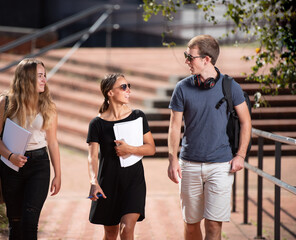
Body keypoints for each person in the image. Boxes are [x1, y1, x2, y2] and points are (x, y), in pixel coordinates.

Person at [167, 35, 252, 240]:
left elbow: (246, 122)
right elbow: (174, 126)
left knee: (214, 227)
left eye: (190, 56)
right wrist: (172, 159)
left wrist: (240, 155)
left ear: (206, 59)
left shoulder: (231, 87)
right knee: (191, 225)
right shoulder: (182, 88)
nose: (186, 60)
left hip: (221, 165)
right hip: (189, 164)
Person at [0, 58, 61, 240]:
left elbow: (52, 142)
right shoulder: (6, 102)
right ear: (26, 78)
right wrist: (11, 156)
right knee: (15, 223)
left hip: (39, 166)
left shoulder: (49, 106)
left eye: (44, 75)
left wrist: (58, 174)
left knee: (30, 223)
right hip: (10, 166)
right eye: (39, 76)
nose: (44, 79)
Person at [87, 73, 156, 240]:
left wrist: (130, 149)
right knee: (110, 234)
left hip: (134, 181)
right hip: (108, 183)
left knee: (127, 229)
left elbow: (151, 148)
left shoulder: (138, 116)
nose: (128, 91)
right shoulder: (97, 123)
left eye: (129, 86)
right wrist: (93, 182)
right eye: (124, 87)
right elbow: (92, 157)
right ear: (110, 92)